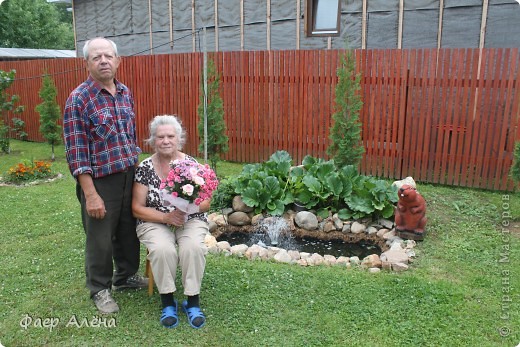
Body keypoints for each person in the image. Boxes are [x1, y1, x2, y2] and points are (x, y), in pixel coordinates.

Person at [63, 37, 147, 314]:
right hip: (100, 182)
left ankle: (125, 276)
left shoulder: (124, 92)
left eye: (108, 56)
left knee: (128, 231)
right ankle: (100, 288)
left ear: (118, 60)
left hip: (129, 175)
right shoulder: (79, 99)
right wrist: (90, 195)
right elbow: (77, 152)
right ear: (87, 63)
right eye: (97, 57)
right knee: (99, 238)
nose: (103, 61)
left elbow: (129, 134)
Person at [132, 115, 210, 329]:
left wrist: (187, 208)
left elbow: (206, 203)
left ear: (179, 139)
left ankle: (192, 302)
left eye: (170, 136)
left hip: (190, 219)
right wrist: (166, 217)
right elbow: (137, 208)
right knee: (162, 249)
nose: (165, 141)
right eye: (160, 137)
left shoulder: (191, 165)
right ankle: (168, 302)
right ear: (153, 140)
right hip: (156, 220)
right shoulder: (145, 168)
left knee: (193, 247)